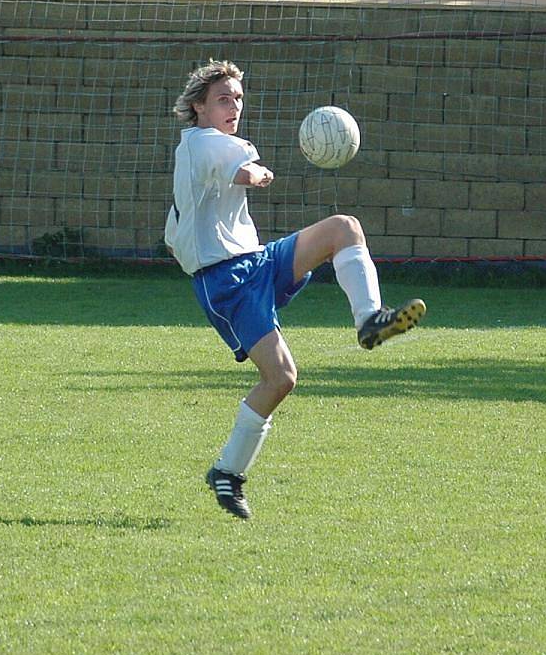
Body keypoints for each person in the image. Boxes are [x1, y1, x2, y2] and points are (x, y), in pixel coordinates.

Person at [164, 59, 426, 520]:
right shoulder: (202, 143)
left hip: (256, 260)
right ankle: (227, 471)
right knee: (281, 378)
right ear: (198, 107)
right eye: (224, 98)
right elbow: (244, 173)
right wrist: (259, 175)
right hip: (227, 284)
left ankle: (370, 319)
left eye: (238, 98)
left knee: (344, 229)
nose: (234, 106)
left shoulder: (215, 144)